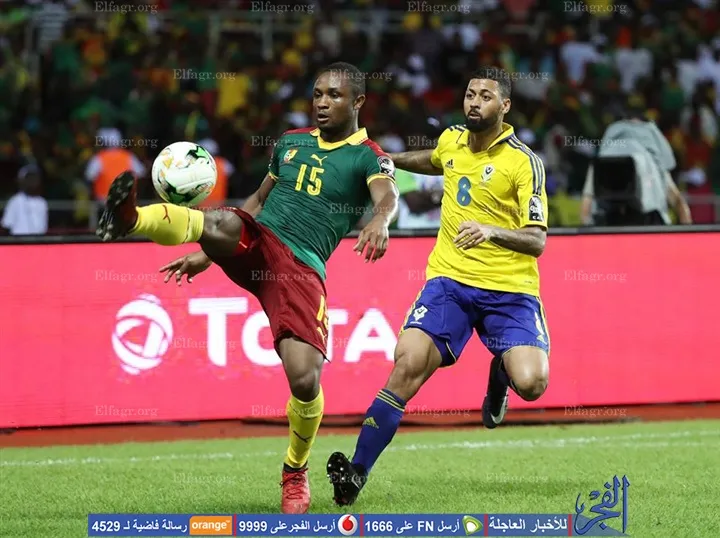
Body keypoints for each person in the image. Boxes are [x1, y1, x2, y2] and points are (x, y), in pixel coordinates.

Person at [95, 62, 399, 514]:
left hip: (301, 268)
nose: (321, 103)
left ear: (357, 101)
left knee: (305, 379)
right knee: (219, 219)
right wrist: (209, 252)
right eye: (317, 93)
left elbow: (387, 195)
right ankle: (131, 219)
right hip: (260, 240)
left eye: (333, 95)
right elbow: (256, 201)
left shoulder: (369, 156)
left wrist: (380, 220)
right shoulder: (290, 143)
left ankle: (294, 469)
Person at [326, 67, 550, 506]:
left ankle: (501, 372)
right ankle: (356, 472)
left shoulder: (524, 162)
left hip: (510, 291)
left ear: (505, 106)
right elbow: (431, 160)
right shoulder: (452, 141)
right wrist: (383, 160)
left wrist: (490, 230)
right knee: (406, 363)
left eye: (485, 96)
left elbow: (537, 240)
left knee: (533, 383)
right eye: (470, 94)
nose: (474, 102)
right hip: (450, 283)